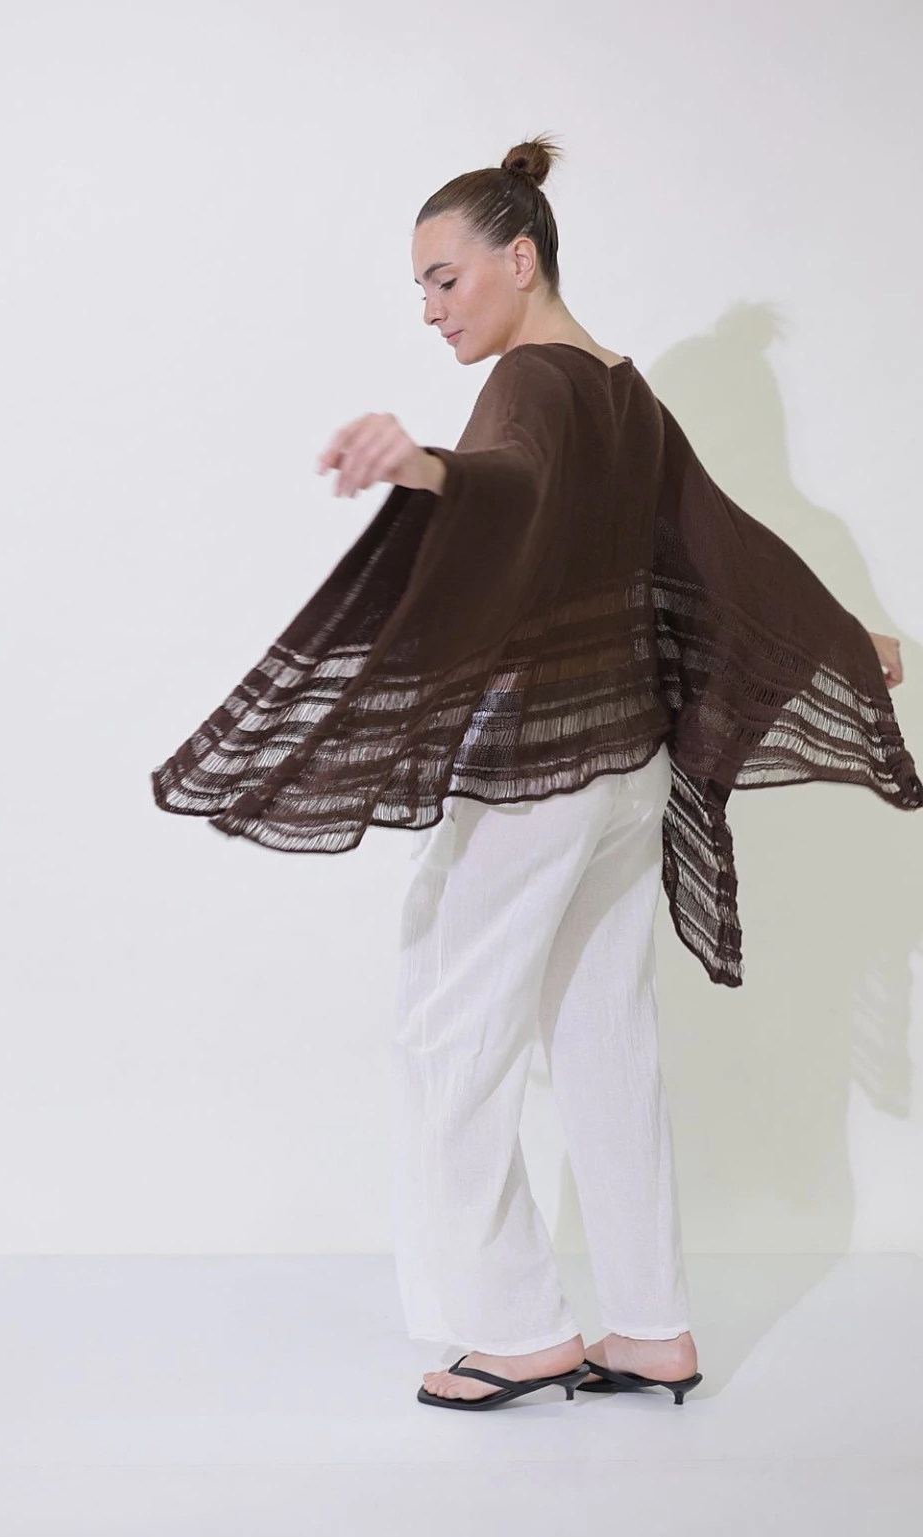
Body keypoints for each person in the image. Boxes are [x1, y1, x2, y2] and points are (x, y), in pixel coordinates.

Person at [313, 134, 904, 1409]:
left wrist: (420, 466)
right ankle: (649, 1325)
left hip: (538, 763)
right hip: (623, 767)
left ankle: (516, 1325)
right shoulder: (623, 387)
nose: (429, 310)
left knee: (448, 1023)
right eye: (418, 289)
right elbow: (719, 538)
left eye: (444, 279)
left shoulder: (529, 382)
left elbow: (508, 489)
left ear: (519, 259)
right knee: (600, 1033)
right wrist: (842, 635)